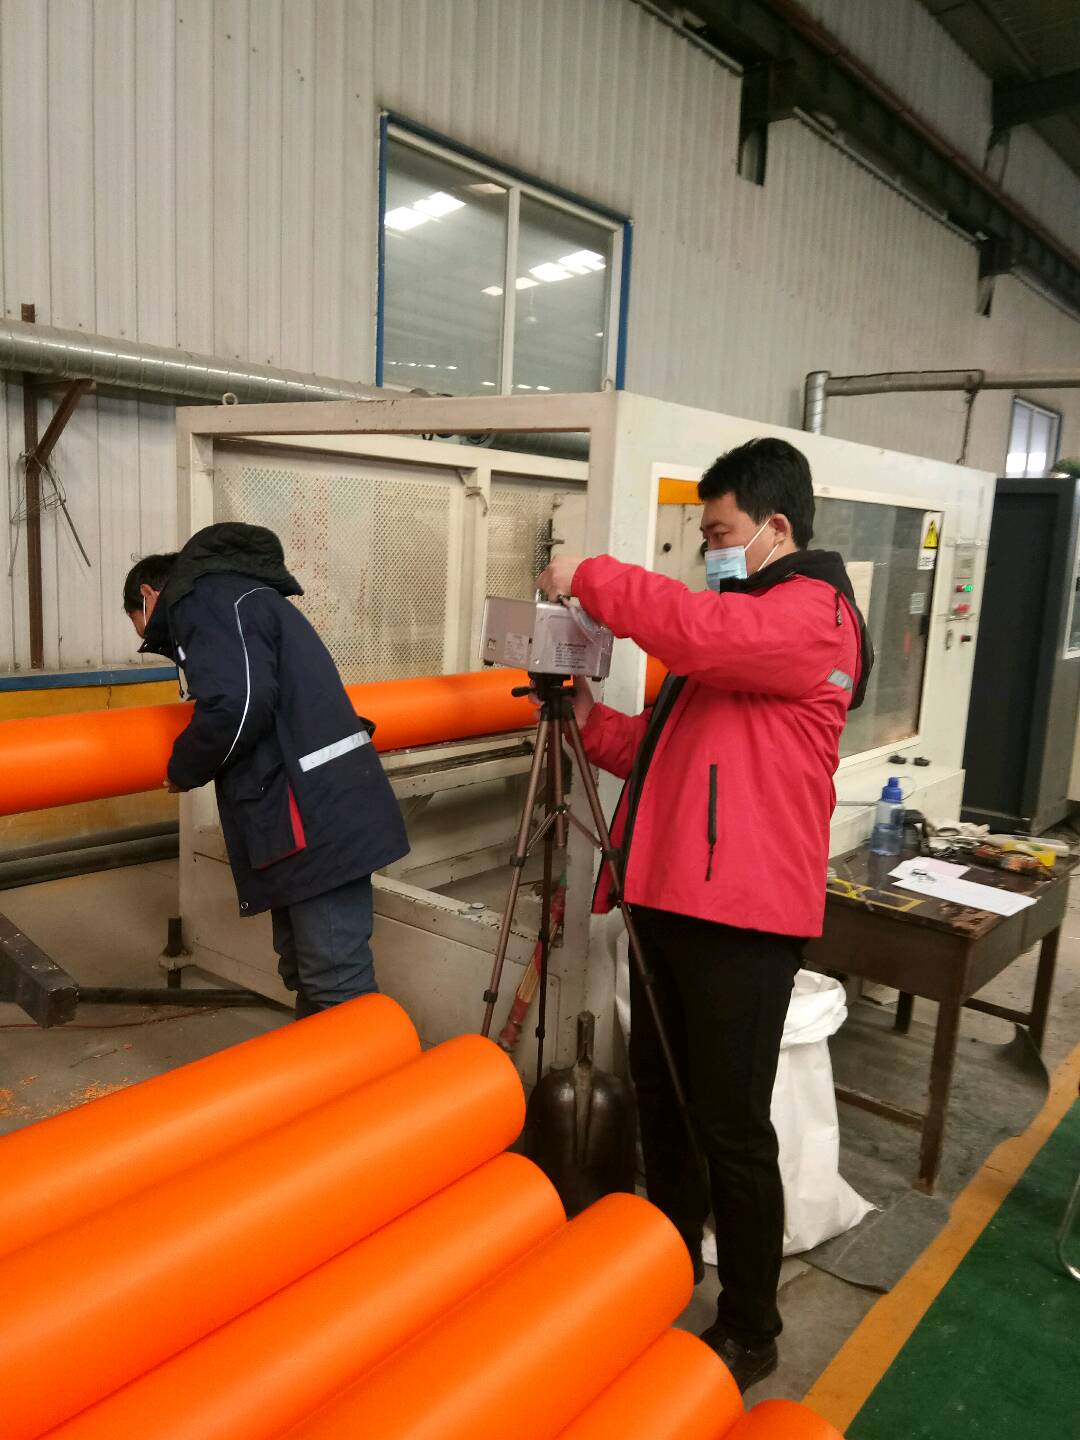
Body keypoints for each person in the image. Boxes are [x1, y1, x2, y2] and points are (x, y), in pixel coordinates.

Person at [537, 437, 873, 1392]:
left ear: (777, 527)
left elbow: (693, 629)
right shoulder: (739, 639)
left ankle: (751, 1324)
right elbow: (656, 752)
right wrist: (580, 714)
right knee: (666, 1104)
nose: (710, 551)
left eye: (720, 533)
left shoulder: (812, 617)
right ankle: (668, 1260)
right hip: (670, 905)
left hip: (742, 923)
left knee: (729, 1125)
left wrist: (587, 577)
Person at [124, 521, 409, 1019]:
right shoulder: (236, 596)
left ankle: (366, 1066)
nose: (147, 633)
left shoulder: (202, 599)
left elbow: (239, 702)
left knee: (335, 979)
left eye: (139, 621)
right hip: (305, 806)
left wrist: (185, 766)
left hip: (316, 815)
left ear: (149, 595)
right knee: (307, 969)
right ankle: (323, 1066)